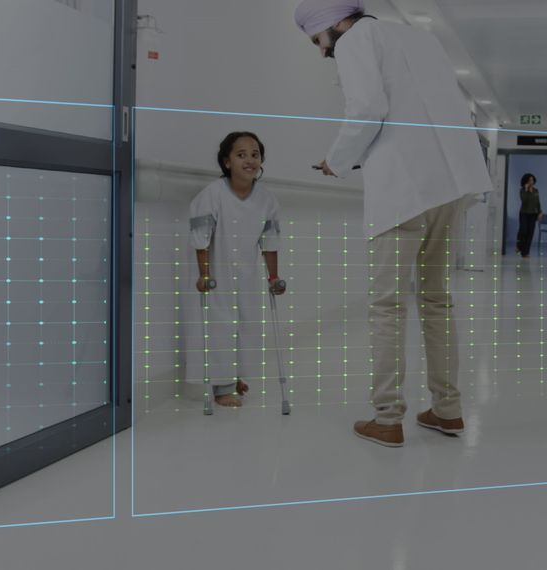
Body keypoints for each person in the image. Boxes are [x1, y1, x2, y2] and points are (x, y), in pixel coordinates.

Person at [296, 0, 493, 446]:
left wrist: (335, 161)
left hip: (405, 191)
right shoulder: (421, 39)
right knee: (437, 301)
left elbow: (368, 107)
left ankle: (387, 417)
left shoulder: (356, 40)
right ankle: (448, 409)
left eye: (318, 40)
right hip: (450, 185)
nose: (322, 50)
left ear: (335, 23)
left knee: (386, 305)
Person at [189, 132, 285, 409]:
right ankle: (222, 386)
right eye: (241, 155)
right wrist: (204, 274)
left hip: (247, 272)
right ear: (227, 161)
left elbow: (270, 242)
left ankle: (235, 376)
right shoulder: (213, 194)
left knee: (247, 323)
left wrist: (273, 277)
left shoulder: (267, 199)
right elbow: (201, 238)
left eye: (255, 154)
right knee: (220, 325)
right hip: (216, 270)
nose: (249, 160)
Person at [516, 173, 543, 258]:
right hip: (524, 213)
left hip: (533, 214)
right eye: (529, 180)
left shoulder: (536, 191)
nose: (531, 182)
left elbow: (537, 203)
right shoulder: (522, 190)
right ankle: (519, 246)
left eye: (532, 180)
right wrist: (526, 190)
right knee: (523, 230)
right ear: (526, 181)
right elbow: (523, 200)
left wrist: (540, 212)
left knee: (530, 233)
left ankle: (525, 253)